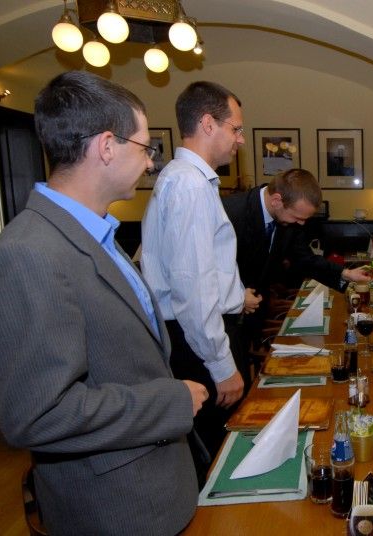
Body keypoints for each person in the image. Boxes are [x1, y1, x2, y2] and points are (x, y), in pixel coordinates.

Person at [0, 71, 206, 535]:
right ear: (107, 146)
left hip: (157, 490)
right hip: (116, 511)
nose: (149, 164)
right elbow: (38, 414)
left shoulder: (95, 230)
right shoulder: (29, 253)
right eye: (145, 148)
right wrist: (171, 399)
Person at [141, 81, 259, 469]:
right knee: (218, 457)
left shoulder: (188, 180)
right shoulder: (189, 185)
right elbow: (193, 291)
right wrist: (222, 366)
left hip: (202, 335)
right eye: (236, 129)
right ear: (209, 124)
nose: (240, 140)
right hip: (200, 343)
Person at [222, 168, 370, 343]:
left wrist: (345, 273)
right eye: (297, 217)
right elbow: (204, 268)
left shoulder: (289, 219)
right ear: (277, 200)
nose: (301, 223)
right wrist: (235, 294)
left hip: (254, 313)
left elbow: (305, 258)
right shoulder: (229, 211)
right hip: (222, 318)